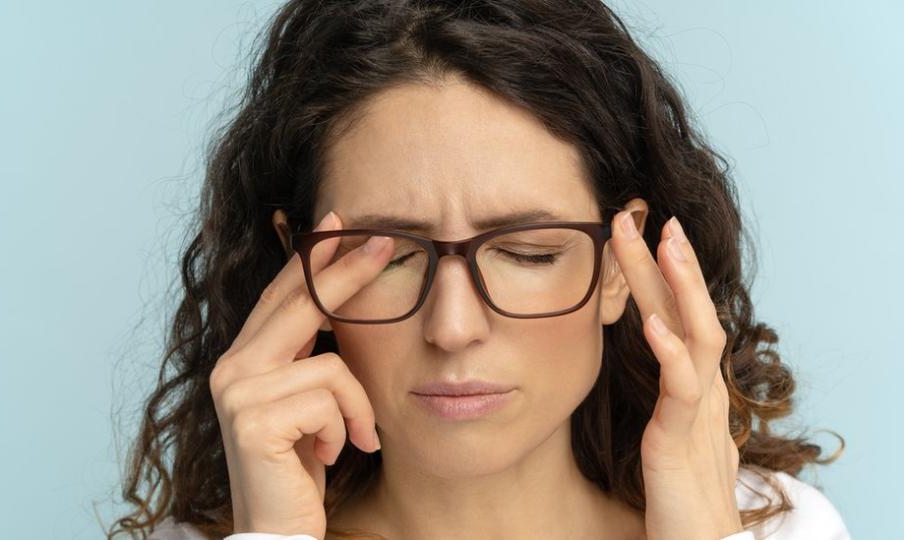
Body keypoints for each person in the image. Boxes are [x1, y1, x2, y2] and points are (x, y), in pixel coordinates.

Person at [108, 1, 851, 539]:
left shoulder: (774, 530)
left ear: (621, 265)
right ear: (295, 271)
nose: (454, 329)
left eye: (528, 253)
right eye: (391, 257)